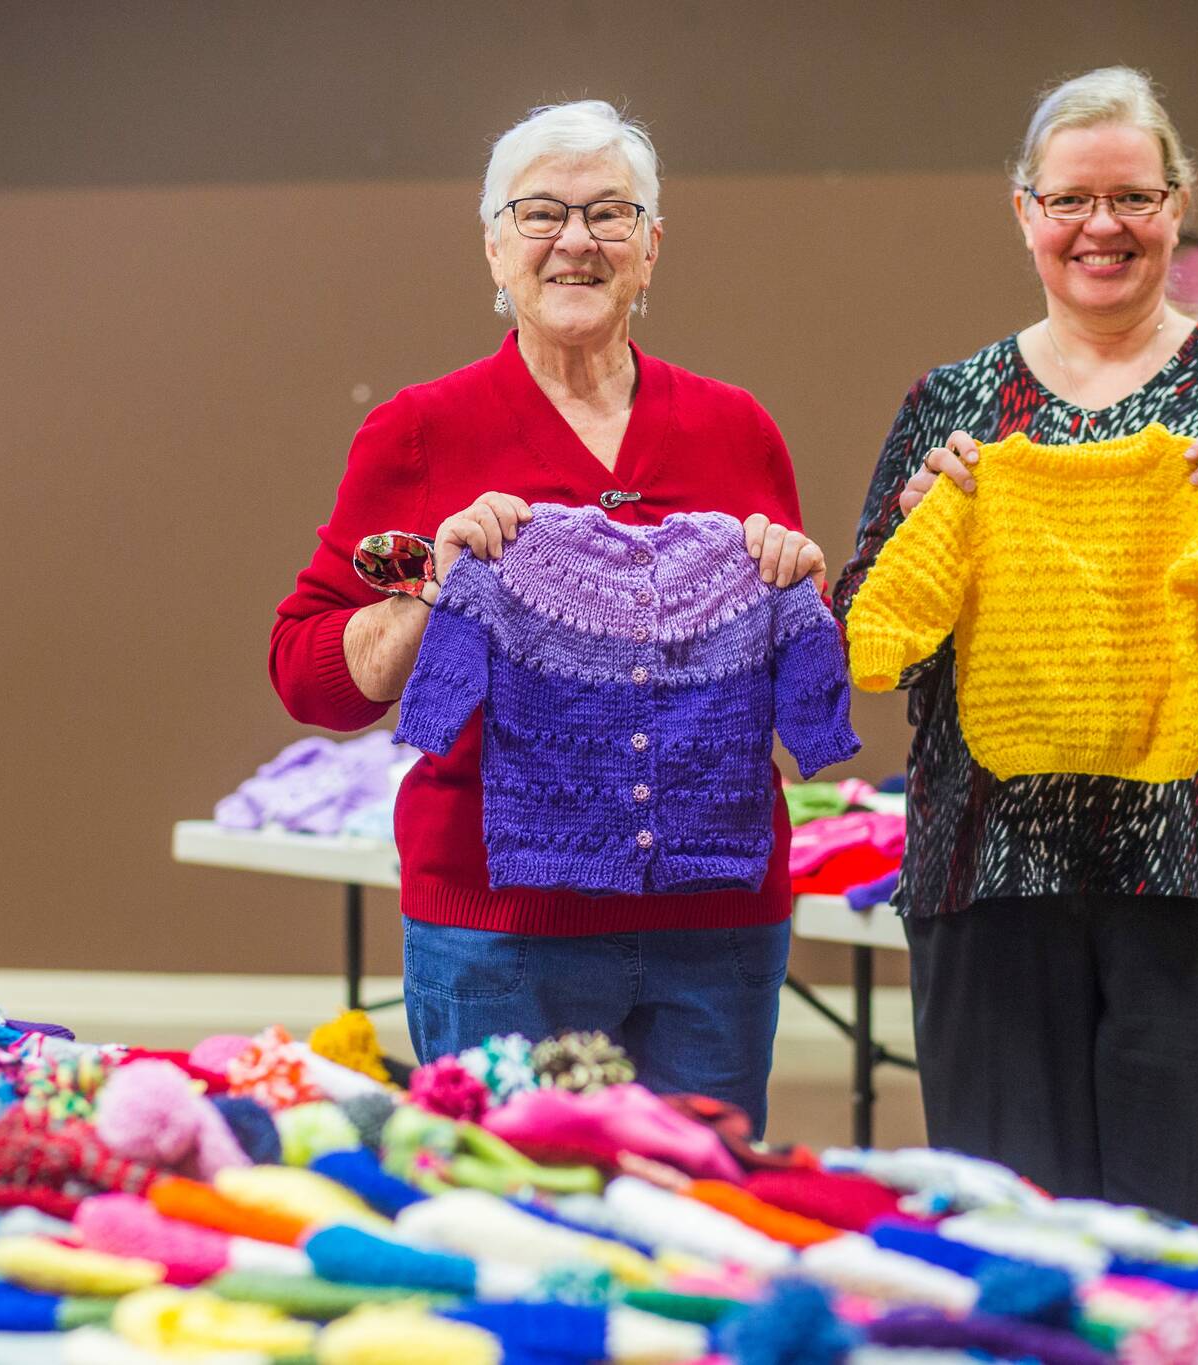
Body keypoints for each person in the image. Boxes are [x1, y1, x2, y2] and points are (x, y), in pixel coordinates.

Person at [830, 67, 1198, 1254]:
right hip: (987, 880)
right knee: (1008, 1252)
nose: (1102, 226)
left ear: (1177, 205)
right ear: (1023, 210)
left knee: (1185, 1256)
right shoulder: (952, 407)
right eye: (1070, 200)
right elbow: (866, 633)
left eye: (1132, 196)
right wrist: (927, 522)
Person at [270, 100, 828, 1134]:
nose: (576, 240)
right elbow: (308, 675)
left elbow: (795, 668)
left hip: (716, 926)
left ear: (650, 248)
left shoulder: (736, 429)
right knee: (510, 1197)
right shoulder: (419, 433)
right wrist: (430, 591)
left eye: (610, 213)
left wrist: (797, 587)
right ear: (494, 245)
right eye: (541, 213)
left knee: (701, 1206)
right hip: (499, 934)